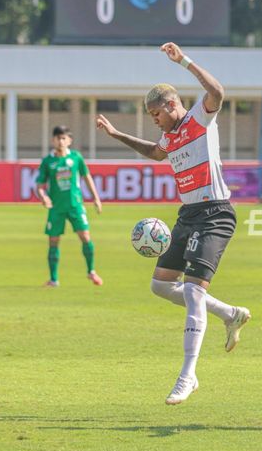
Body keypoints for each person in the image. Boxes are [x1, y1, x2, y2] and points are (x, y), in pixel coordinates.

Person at [96, 42, 251, 405]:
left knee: (194, 291)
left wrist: (184, 62)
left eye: (155, 113)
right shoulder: (169, 136)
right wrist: (117, 135)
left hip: (215, 214)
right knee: (160, 286)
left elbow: (218, 92)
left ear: (171, 105)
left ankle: (188, 375)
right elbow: (154, 152)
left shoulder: (199, 117)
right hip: (188, 216)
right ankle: (230, 314)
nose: (155, 120)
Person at [36, 126, 103, 287]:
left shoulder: (76, 158)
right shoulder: (48, 162)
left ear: (69, 141)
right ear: (53, 140)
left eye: (64, 138)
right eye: (58, 138)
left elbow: (87, 177)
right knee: (53, 241)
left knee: (85, 237)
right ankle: (53, 279)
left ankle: (91, 272)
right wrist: (44, 197)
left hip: (75, 205)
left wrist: (96, 198)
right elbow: (39, 186)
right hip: (56, 207)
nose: (61, 141)